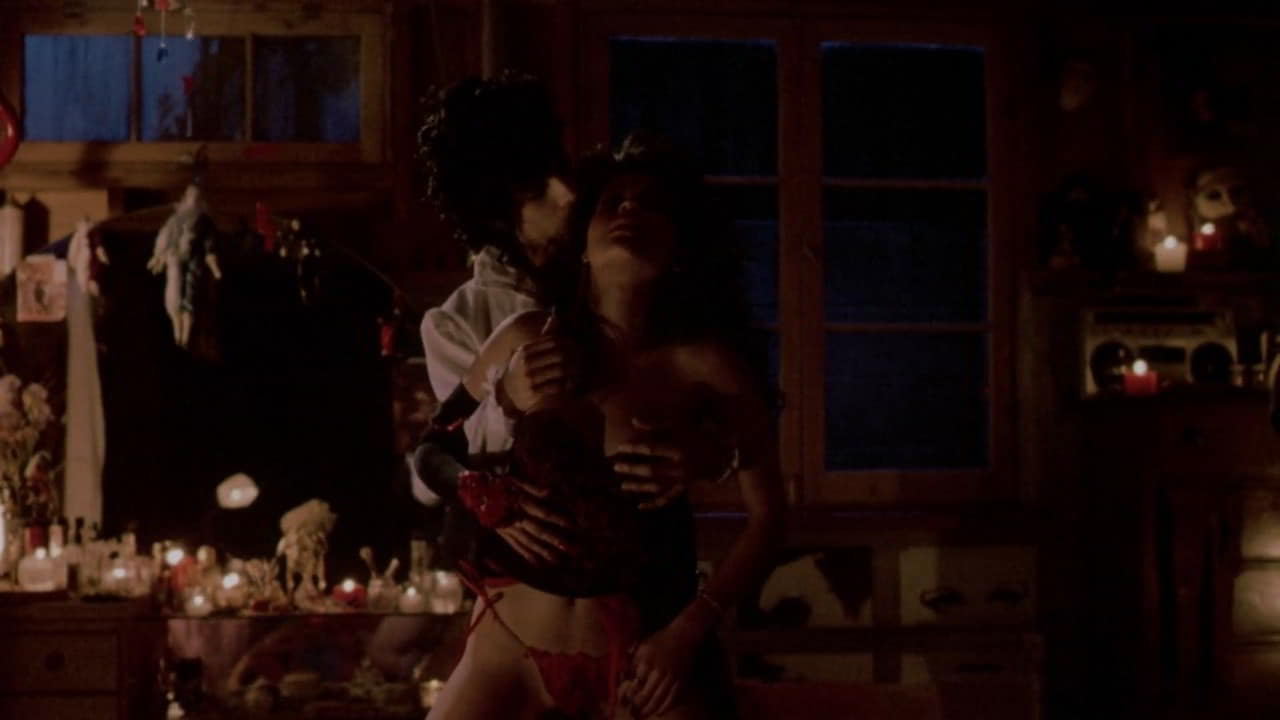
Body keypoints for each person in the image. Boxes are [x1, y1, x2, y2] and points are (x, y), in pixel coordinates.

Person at [422, 134, 785, 720]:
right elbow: (433, 448)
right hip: (507, 651)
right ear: (582, 247)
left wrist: (686, 634)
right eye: (612, 202)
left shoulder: (708, 368)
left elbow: (769, 518)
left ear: (679, 247)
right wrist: (482, 494)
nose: (629, 210)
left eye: (651, 205)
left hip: (643, 657)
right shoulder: (525, 338)